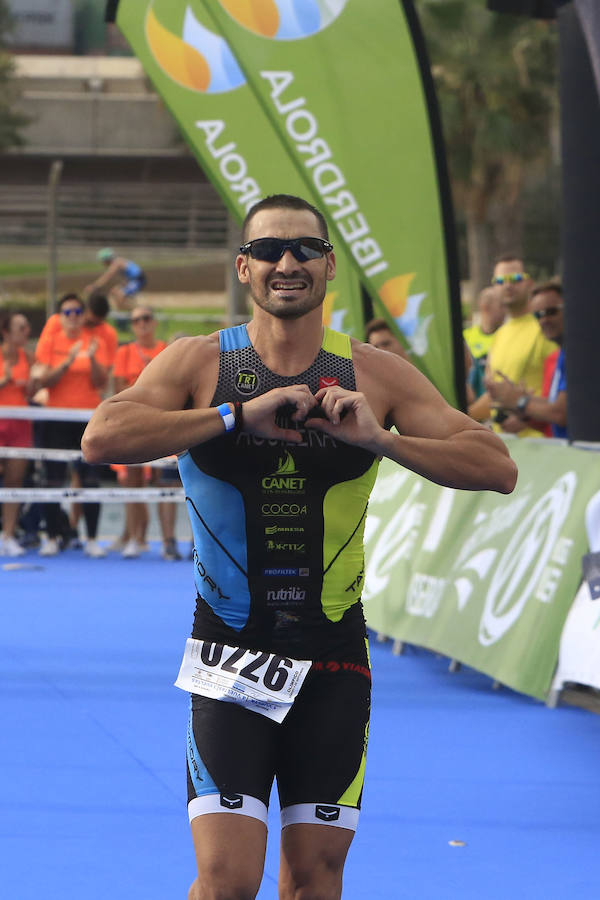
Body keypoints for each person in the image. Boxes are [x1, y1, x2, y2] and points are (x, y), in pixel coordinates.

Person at [82, 194, 517, 900]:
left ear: (330, 267)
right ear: (244, 268)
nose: (289, 263)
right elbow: (102, 438)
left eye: (305, 250)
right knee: (226, 881)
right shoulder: (198, 364)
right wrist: (232, 416)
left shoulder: (373, 374)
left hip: (334, 657)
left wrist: (380, 439)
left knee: (314, 880)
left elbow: (496, 467)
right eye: (272, 251)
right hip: (231, 649)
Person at [36, 294, 119, 545]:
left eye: (76, 312)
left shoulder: (95, 341)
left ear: (83, 316)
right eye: (67, 313)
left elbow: (101, 382)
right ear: (60, 317)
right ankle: (51, 538)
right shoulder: (51, 340)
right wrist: (68, 361)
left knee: (90, 478)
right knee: (53, 477)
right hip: (56, 415)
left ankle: (92, 539)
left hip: (87, 417)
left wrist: (91, 358)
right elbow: (44, 381)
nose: (72, 317)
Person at [112, 305, 180, 560]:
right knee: (133, 481)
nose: (141, 323)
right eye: (136, 320)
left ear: (153, 322)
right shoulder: (125, 352)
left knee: (166, 482)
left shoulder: (167, 350)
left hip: (161, 424)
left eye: (146, 318)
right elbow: (119, 389)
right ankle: (135, 537)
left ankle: (167, 541)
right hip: (133, 423)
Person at [469, 255, 557, 435]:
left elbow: (560, 389)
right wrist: (460, 416)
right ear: (494, 287)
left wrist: (526, 417)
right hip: (508, 448)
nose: (508, 285)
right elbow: (492, 396)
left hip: (543, 446)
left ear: (529, 283)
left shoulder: (545, 327)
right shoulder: (500, 335)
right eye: (500, 281)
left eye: (515, 279)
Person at [487, 281, 567, 438]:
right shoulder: (564, 354)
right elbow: (553, 408)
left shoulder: (581, 354)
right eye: (538, 315)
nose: (544, 320)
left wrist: (521, 402)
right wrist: (520, 408)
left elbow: (562, 413)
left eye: (551, 312)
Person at [0, 312, 35, 557]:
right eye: (20, 327)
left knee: (14, 481)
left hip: (20, 425)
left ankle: (9, 535)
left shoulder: (28, 358)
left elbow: (33, 393)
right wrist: (4, 381)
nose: (26, 331)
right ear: (6, 332)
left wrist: (34, 385)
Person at [463, 286, 505, 405]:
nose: (505, 311)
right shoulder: (467, 336)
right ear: (485, 307)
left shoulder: (505, 337)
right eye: (501, 306)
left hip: (496, 406)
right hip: (470, 407)